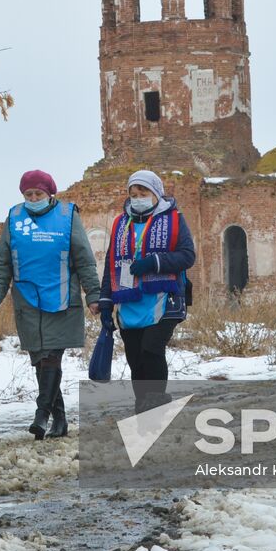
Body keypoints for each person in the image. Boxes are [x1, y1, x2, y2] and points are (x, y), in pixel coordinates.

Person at [0, 170, 100, 439]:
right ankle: (59, 419)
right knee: (40, 359)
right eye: (28, 194)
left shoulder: (67, 216)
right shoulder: (14, 218)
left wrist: (93, 294)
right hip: (27, 299)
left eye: (38, 193)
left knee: (51, 357)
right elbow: (3, 261)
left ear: (50, 194)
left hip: (61, 297)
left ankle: (42, 414)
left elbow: (84, 258)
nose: (33, 198)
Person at [98, 169, 195, 414]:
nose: (138, 197)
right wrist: (106, 301)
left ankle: (156, 401)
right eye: (133, 193)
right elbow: (112, 263)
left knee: (151, 349)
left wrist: (155, 262)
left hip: (164, 299)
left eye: (143, 192)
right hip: (129, 300)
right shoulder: (121, 223)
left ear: (156, 193)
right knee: (135, 358)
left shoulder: (173, 219)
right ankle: (143, 406)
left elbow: (187, 255)